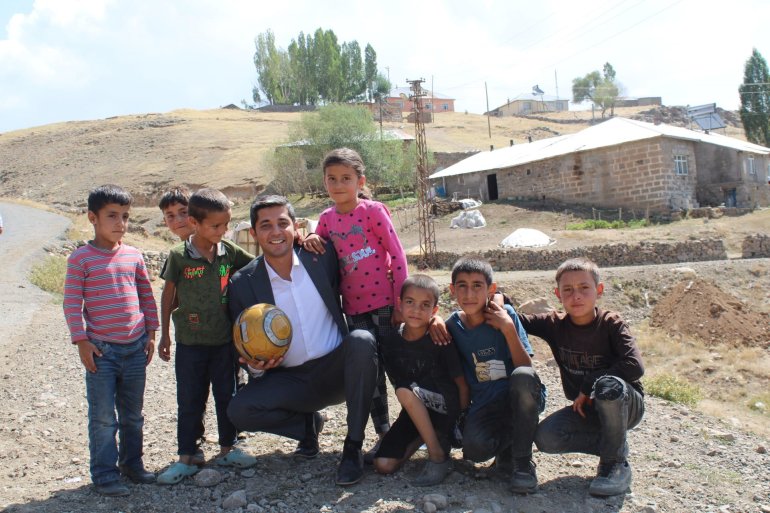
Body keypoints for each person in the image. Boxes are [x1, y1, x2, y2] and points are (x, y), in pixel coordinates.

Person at [227, 194, 378, 486]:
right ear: (254, 233)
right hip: (291, 382)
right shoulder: (242, 283)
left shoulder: (320, 256)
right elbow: (242, 344)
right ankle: (307, 428)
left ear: (295, 226)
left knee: (361, 340)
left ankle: (353, 448)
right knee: (240, 411)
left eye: (282, 223)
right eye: (266, 225)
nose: (275, 232)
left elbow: (367, 260)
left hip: (336, 373)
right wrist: (257, 366)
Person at [302, 147, 408, 459]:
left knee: (398, 366)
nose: (338, 185)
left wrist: (400, 302)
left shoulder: (373, 212)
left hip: (386, 306)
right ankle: (383, 432)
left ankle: (417, 424)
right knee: (371, 375)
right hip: (354, 312)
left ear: (360, 181)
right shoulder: (325, 220)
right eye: (331, 179)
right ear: (324, 183)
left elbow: (398, 256)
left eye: (346, 178)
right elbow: (317, 252)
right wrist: (307, 237)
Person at [519, 257, 644, 497]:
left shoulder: (611, 324)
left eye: (584, 288)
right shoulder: (554, 324)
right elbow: (518, 321)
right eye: (568, 289)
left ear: (598, 290)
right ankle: (614, 446)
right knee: (547, 438)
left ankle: (614, 465)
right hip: (587, 411)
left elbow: (634, 366)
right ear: (558, 294)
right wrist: (501, 301)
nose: (576, 295)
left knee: (608, 385)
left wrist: (588, 385)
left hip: (625, 405)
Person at [62, 184, 158, 497]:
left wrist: (152, 332)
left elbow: (145, 294)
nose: (120, 223)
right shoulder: (81, 259)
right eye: (112, 216)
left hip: (134, 349)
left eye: (125, 216)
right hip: (101, 352)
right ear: (93, 217)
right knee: (103, 418)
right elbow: (71, 303)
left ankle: (133, 464)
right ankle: (104, 475)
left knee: (133, 415)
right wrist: (81, 341)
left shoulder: (133, 255)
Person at [156, 188, 256, 485]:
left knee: (228, 396)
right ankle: (187, 457)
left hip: (225, 343)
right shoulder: (179, 257)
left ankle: (228, 448)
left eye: (226, 225)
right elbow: (167, 297)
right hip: (190, 344)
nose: (222, 231)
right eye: (216, 226)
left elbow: (255, 266)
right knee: (190, 400)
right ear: (195, 223)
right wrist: (165, 336)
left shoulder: (227, 250)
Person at [445, 257, 545, 494]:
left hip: (520, 397)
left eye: (477, 285)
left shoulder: (506, 314)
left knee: (522, 376)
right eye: (462, 286)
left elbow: (527, 367)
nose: (469, 293)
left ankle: (522, 462)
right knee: (474, 449)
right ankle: (510, 446)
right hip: (485, 403)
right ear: (452, 290)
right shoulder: (452, 327)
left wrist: (508, 328)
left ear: (491, 289)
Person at [373, 274, 469, 486]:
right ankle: (429, 437)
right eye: (410, 302)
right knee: (383, 465)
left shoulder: (440, 337)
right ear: (399, 304)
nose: (416, 310)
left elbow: (461, 384)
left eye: (425, 305)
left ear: (434, 310)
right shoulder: (390, 341)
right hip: (416, 412)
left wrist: (459, 420)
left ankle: (437, 456)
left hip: (448, 413)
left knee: (404, 391)